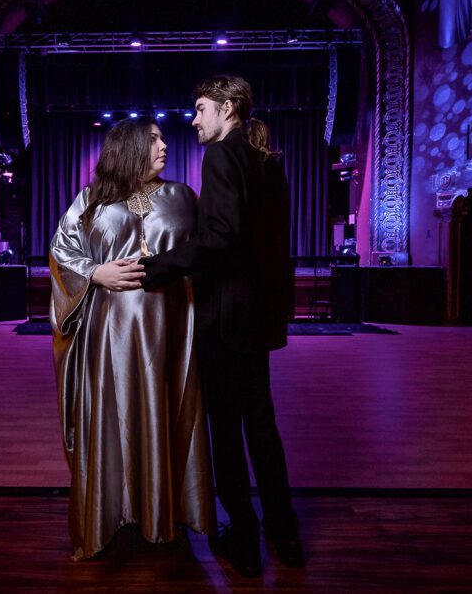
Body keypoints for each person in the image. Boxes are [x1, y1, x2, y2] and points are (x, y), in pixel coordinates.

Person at [140, 75, 304, 577]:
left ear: (228, 109)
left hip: (227, 318)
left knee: (229, 436)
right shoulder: (266, 161)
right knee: (263, 430)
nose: (194, 119)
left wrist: (155, 268)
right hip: (258, 317)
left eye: (201, 108)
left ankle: (247, 547)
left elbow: (220, 238)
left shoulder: (223, 155)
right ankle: (286, 536)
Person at [49, 117, 215, 561]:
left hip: (173, 329)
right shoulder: (91, 201)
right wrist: (94, 272)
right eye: (154, 139)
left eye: (163, 139)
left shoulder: (183, 197)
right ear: (128, 147)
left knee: (169, 412)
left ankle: (165, 517)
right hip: (110, 335)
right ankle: (113, 514)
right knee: (113, 415)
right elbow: (62, 251)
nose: (165, 146)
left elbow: (208, 255)